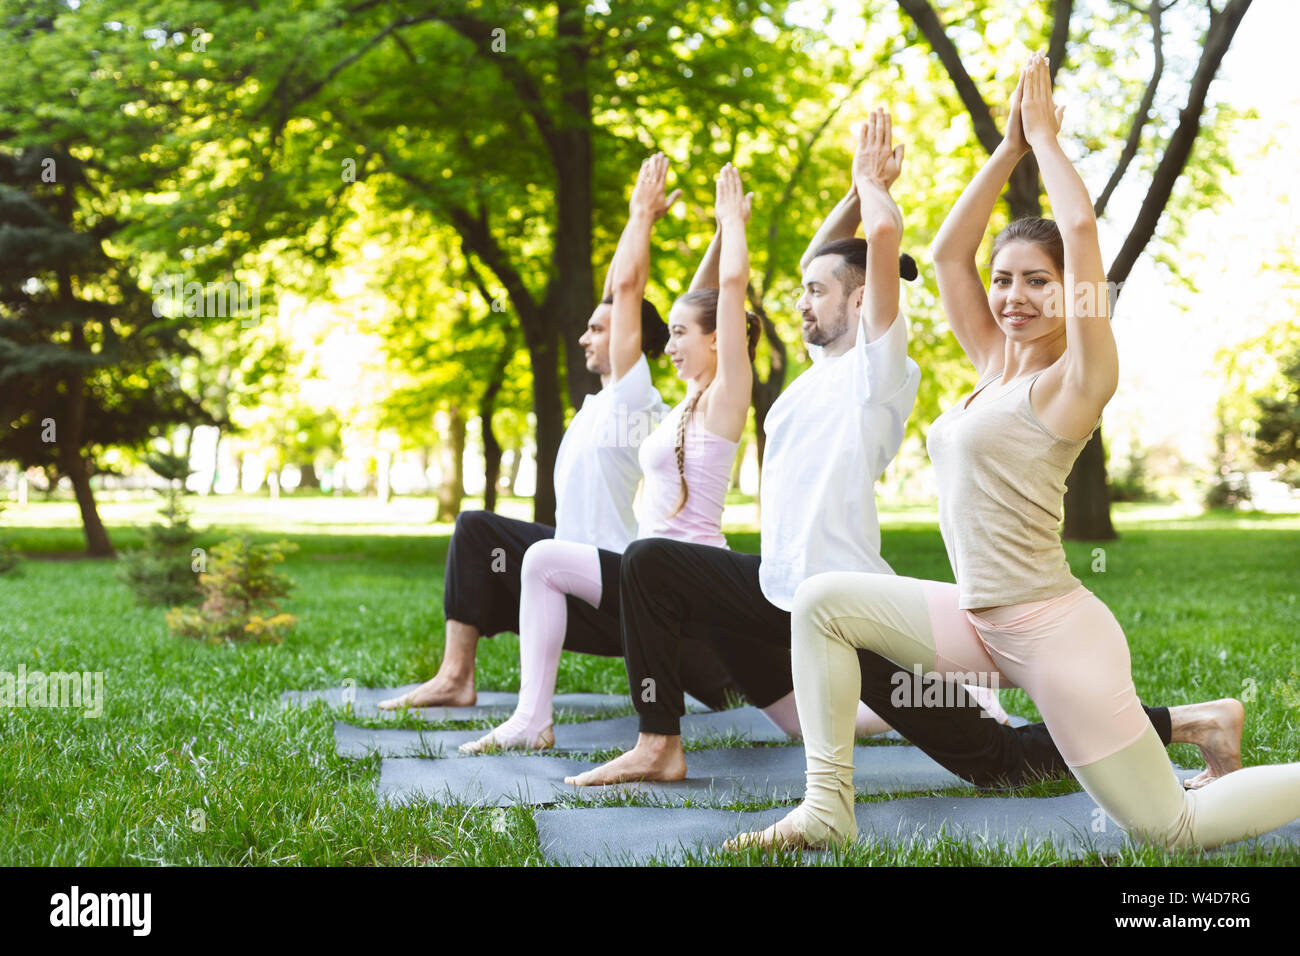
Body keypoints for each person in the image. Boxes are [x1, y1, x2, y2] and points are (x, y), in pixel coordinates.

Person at [565, 108, 1238, 791]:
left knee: (992, 764)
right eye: (1006, 280)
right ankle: (661, 741)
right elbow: (850, 257)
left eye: (817, 293)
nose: (800, 303)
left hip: (850, 600)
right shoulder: (823, 369)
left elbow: (888, 238)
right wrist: (859, 192)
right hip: (779, 589)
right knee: (652, 567)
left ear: (861, 303)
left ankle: (1182, 721)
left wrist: (880, 190)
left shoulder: (875, 370)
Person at [727, 55, 1299, 853]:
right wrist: (1007, 151)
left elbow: (1084, 231)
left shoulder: (1078, 379)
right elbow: (949, 252)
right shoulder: (993, 363)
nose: (1013, 296)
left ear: (1071, 293)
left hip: (1053, 633)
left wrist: (1047, 142)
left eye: (1037, 281)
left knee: (1170, 831)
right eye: (1006, 281)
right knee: (823, 601)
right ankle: (827, 807)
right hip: (976, 620)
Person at [377, 159, 738, 715]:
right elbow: (698, 298)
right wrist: (719, 234)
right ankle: (455, 677)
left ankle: (722, 672)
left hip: (615, 590)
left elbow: (629, 286)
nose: (584, 337)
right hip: (576, 584)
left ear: (628, 337)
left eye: (599, 327)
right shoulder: (613, 406)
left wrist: (640, 216)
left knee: (737, 686)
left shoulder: (633, 396)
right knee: (478, 532)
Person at [459, 156, 775, 751]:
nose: (675, 343)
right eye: (673, 334)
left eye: (687, 334)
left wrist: (702, 222)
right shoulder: (676, 403)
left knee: (806, 709)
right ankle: (530, 718)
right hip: (645, 579)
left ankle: (539, 721)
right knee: (803, 713)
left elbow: (695, 295)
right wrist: (712, 238)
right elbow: (699, 302)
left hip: (678, 579)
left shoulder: (683, 395)